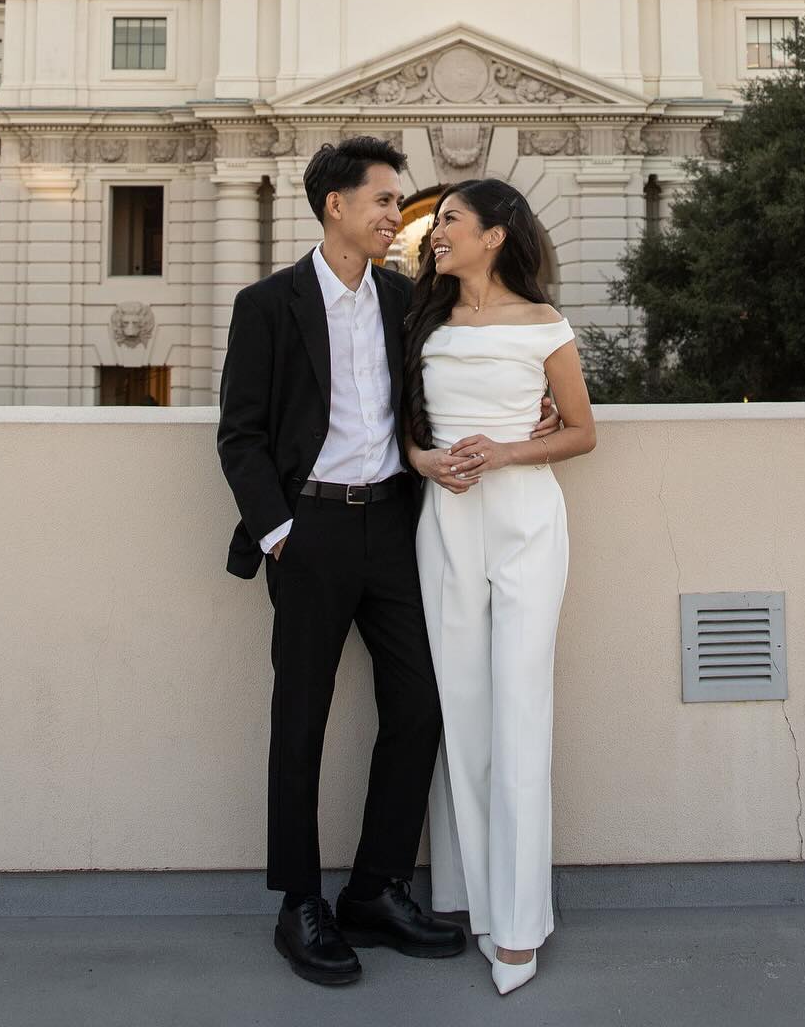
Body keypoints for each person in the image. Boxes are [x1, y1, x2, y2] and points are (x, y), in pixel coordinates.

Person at [216, 138, 558, 988]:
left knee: (420, 705)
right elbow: (242, 436)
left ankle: (376, 888)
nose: (393, 214)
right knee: (302, 718)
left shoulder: (408, 301)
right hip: (311, 533)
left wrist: (532, 409)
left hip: (399, 528)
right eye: (382, 200)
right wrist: (279, 532)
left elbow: (464, 370)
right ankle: (299, 903)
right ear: (335, 204)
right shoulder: (268, 304)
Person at [403, 180, 597, 997]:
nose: (434, 232)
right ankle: (471, 895)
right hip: (443, 524)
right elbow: (401, 432)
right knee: (464, 710)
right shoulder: (419, 321)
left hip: (525, 526)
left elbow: (583, 431)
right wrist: (428, 461)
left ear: (495, 234)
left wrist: (508, 451)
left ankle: (519, 924)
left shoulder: (546, 326)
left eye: (450, 220)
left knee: (520, 709)